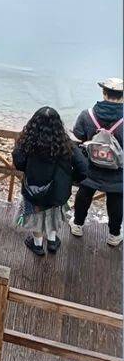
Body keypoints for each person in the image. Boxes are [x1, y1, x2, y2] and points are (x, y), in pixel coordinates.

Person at [13, 107, 87, 256]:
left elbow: (18, 162)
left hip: (33, 189)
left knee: (36, 217)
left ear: (34, 123)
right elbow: (84, 168)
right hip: (58, 191)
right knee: (53, 215)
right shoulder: (66, 144)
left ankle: (38, 245)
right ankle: (52, 242)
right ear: (58, 125)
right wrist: (71, 179)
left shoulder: (27, 142)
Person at [71, 77, 123, 246]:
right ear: (122, 96)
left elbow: (77, 139)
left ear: (104, 93)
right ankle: (114, 236)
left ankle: (77, 225)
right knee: (116, 201)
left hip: (90, 168)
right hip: (117, 172)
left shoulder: (88, 115)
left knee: (84, 195)